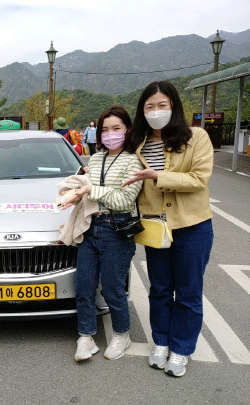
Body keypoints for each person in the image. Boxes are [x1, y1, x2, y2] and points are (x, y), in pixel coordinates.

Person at [123, 81, 214, 377]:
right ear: (142, 111)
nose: (156, 111)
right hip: (155, 228)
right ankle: (161, 342)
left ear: (173, 106)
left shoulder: (196, 137)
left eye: (162, 105)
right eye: (150, 106)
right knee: (160, 289)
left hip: (192, 226)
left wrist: (159, 176)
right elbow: (126, 180)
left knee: (188, 291)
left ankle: (182, 349)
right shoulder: (136, 142)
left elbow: (199, 178)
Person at [60, 106, 144, 363]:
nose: (110, 134)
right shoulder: (95, 158)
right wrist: (77, 189)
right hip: (90, 226)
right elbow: (88, 186)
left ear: (127, 130)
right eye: (105, 129)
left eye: (116, 128)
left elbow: (124, 199)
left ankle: (122, 335)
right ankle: (86, 336)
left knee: (112, 289)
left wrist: (89, 191)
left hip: (117, 229)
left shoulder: (134, 161)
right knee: (84, 286)